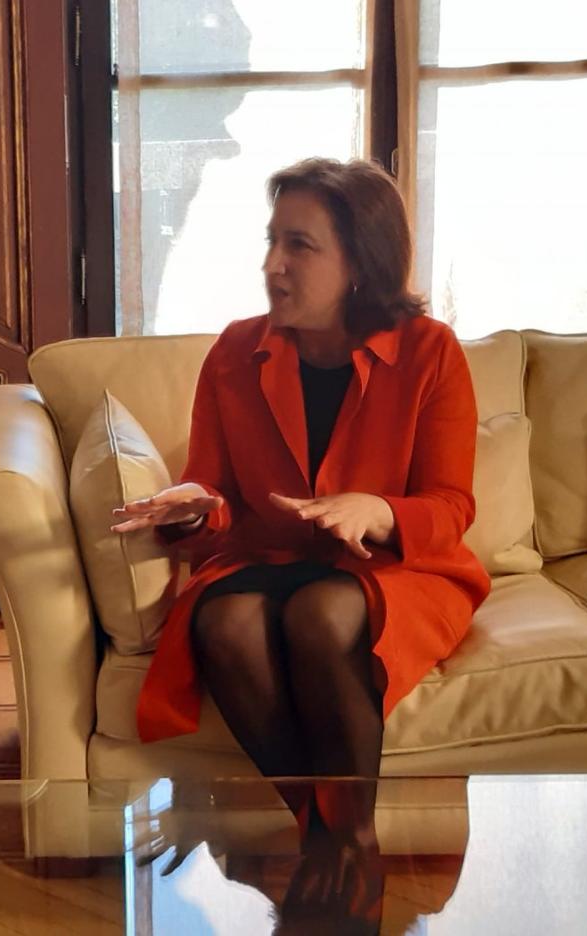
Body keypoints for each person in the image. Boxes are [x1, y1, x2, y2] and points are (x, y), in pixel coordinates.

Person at [112, 157, 490, 850]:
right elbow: (216, 493)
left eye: (299, 246)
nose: (272, 265)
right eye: (272, 241)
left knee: (321, 613)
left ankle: (342, 847)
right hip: (270, 557)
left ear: (360, 263)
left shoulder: (430, 351)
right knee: (224, 622)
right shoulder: (235, 351)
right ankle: (339, 847)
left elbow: (451, 505)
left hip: (393, 570)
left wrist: (377, 511)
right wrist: (193, 505)